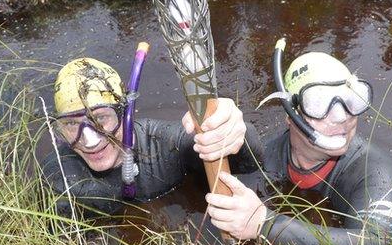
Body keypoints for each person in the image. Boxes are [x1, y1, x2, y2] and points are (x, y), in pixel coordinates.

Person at [205, 50, 392, 245]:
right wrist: (219, 125)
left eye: (352, 99)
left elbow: (377, 244)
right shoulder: (270, 152)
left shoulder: (374, 169)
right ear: (291, 115)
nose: (341, 117)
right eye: (318, 104)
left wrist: (265, 224)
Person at [41, 57, 261, 218]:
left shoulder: (165, 144)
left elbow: (251, 161)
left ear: (125, 112)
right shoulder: (59, 173)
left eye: (100, 119)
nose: (88, 140)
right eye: (71, 124)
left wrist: (232, 131)